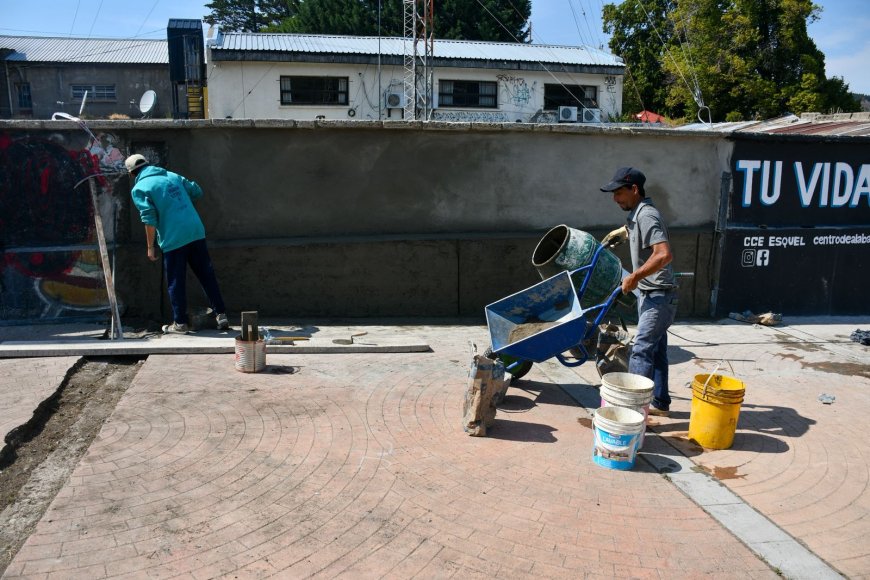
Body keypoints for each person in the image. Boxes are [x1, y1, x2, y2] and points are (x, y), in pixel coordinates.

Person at [600, 167, 677, 416]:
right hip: (651, 293)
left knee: (641, 350)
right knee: (656, 349)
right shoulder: (637, 214)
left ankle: (633, 412)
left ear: (634, 190)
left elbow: (664, 254)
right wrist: (624, 232)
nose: (615, 199)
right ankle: (660, 403)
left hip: (658, 294)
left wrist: (634, 277)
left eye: (619, 192)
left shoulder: (647, 216)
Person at [125, 154, 230, 334]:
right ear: (148, 165)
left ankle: (180, 323)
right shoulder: (172, 175)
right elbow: (196, 191)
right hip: (195, 230)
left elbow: (149, 220)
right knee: (206, 274)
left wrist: (150, 247)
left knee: (176, 280)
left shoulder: (140, 189)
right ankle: (221, 315)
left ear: (132, 174)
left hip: (173, 237)